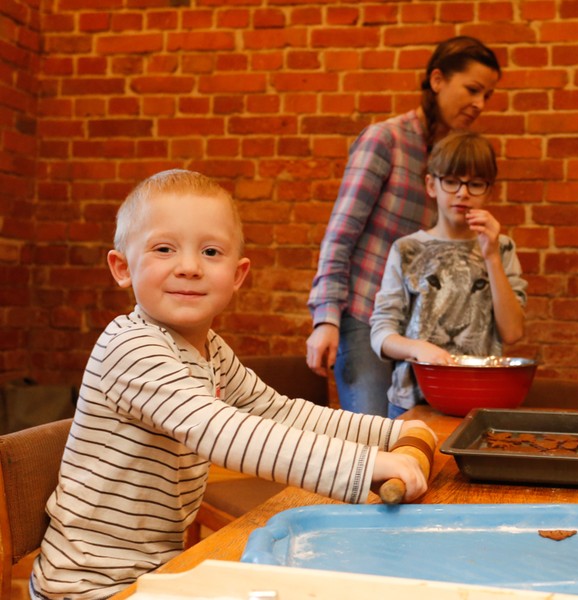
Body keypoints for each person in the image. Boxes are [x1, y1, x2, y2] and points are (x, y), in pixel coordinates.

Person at [30, 170, 433, 600]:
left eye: (210, 251)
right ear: (122, 267)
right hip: (90, 587)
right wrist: (365, 466)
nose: (189, 267)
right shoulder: (131, 346)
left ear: (238, 275)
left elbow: (278, 411)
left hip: (157, 572)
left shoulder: (212, 351)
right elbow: (222, 431)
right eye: (164, 249)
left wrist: (392, 432)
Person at [306, 36, 501, 416]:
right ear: (438, 80)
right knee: (370, 434)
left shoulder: (450, 161)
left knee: (414, 437)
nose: (480, 104)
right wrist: (325, 319)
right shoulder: (386, 140)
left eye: (487, 95)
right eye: (473, 89)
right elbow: (340, 235)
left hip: (416, 330)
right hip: (363, 316)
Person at [369, 131, 527, 417]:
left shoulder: (502, 248)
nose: (462, 193)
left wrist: (491, 256)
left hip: (480, 402)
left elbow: (513, 331)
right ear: (431, 185)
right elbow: (381, 333)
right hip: (411, 401)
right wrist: (417, 348)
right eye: (451, 181)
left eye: (475, 184)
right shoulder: (406, 249)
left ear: (489, 191)